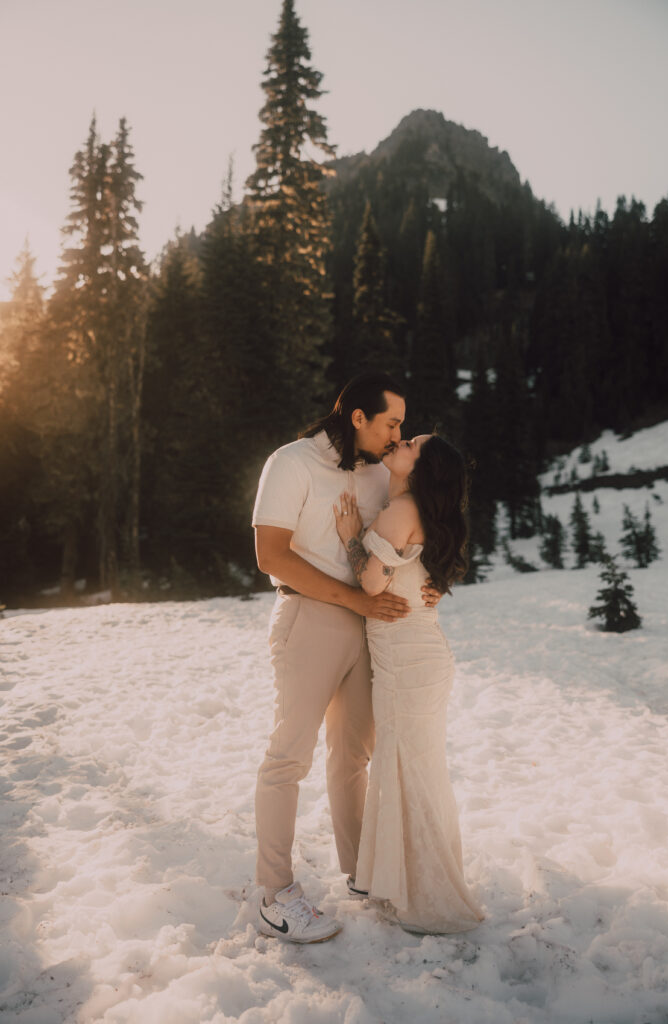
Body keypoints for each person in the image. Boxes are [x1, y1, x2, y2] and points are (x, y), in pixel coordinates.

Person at [251, 372, 440, 943]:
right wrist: (354, 599)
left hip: (370, 626)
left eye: (400, 426)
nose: (397, 434)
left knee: (353, 757)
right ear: (357, 416)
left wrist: (427, 583)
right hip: (309, 618)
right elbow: (270, 556)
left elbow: (400, 538)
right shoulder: (292, 462)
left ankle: (364, 874)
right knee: (289, 757)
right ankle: (274, 893)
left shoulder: (384, 471)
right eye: (391, 423)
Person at [334, 433, 485, 934]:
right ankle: (414, 880)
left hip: (406, 662)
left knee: (409, 771)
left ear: (421, 467)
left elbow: (372, 584)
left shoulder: (401, 508)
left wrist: (352, 537)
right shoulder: (411, 505)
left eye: (412, 442)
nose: (401, 439)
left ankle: (427, 893)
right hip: (419, 656)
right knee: (415, 770)